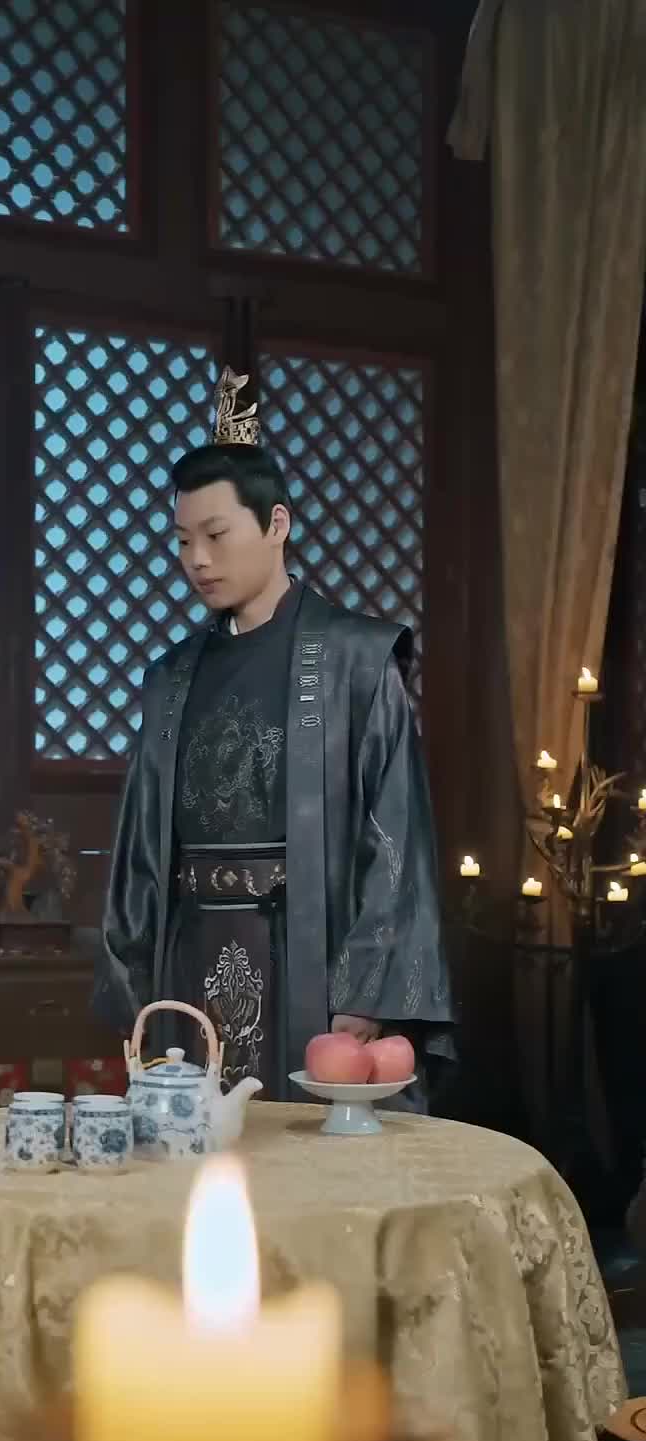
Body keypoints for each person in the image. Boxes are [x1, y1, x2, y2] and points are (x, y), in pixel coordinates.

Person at [95, 368, 453, 1100]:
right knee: (195, 1146)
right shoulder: (171, 679)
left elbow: (396, 838)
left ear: (277, 524)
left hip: (309, 959)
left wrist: (366, 990)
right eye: (183, 540)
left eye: (216, 535)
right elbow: (138, 851)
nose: (197, 559)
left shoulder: (357, 660)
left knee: (305, 1145)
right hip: (188, 959)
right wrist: (134, 986)